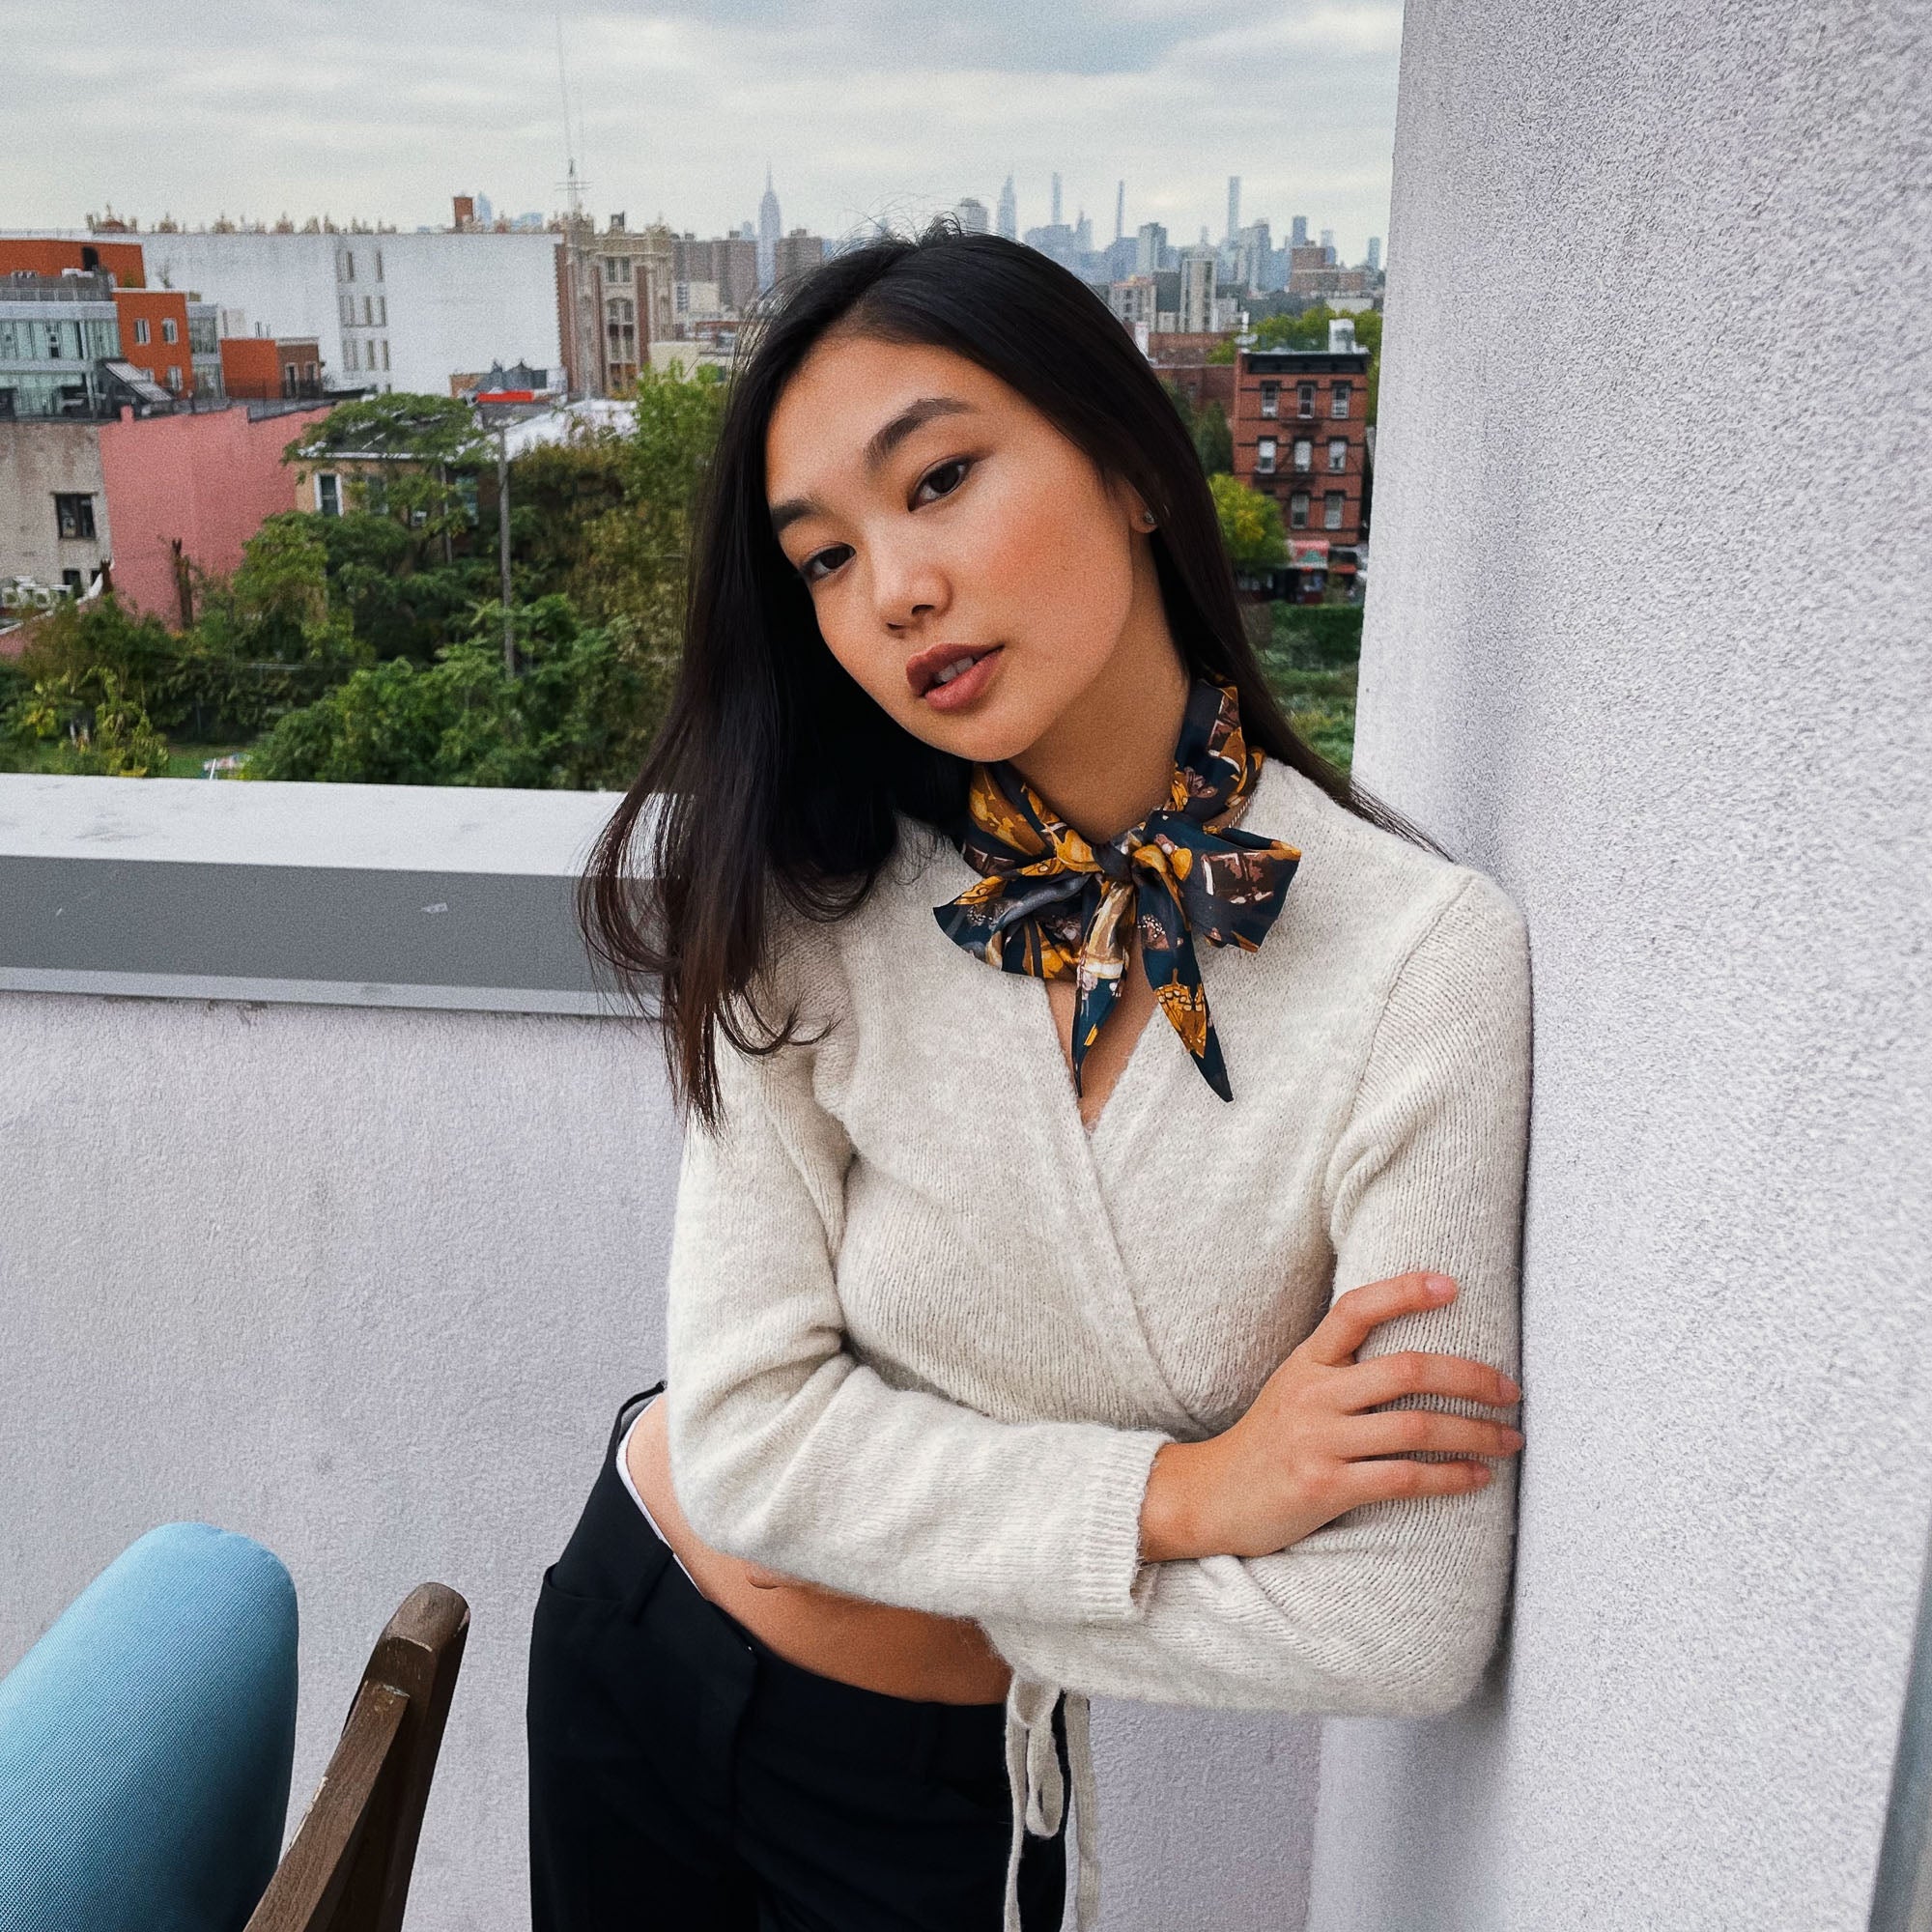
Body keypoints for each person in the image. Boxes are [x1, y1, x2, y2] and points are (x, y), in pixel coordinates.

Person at [527, 221, 1530, 1932]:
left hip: (938, 1779)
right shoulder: (809, 896)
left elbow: (1406, 1621)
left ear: (1135, 465)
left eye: (940, 482)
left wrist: (899, 1533)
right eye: (824, 559)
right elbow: (748, 1450)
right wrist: (1178, 1501)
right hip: (635, 1627)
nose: (895, 590)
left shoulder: (1415, 963)